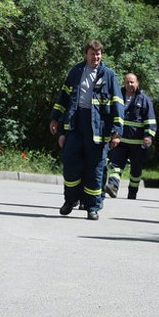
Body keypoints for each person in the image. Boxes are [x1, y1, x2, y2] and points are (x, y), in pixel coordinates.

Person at [50, 40, 125, 220]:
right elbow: (64, 97)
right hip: (75, 125)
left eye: (99, 54)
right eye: (93, 54)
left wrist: (117, 131)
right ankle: (70, 200)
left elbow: (118, 103)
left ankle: (92, 207)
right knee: (70, 164)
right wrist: (55, 120)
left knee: (95, 168)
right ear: (86, 54)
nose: (96, 57)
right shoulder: (75, 72)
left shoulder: (108, 75)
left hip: (98, 128)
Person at [105, 73, 156, 200]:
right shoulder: (117, 97)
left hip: (138, 143)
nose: (130, 84)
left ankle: (132, 193)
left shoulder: (144, 100)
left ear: (137, 83)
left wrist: (148, 136)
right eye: (127, 82)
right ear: (124, 83)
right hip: (119, 140)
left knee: (136, 170)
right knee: (116, 165)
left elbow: (150, 121)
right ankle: (113, 187)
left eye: (132, 82)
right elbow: (110, 116)